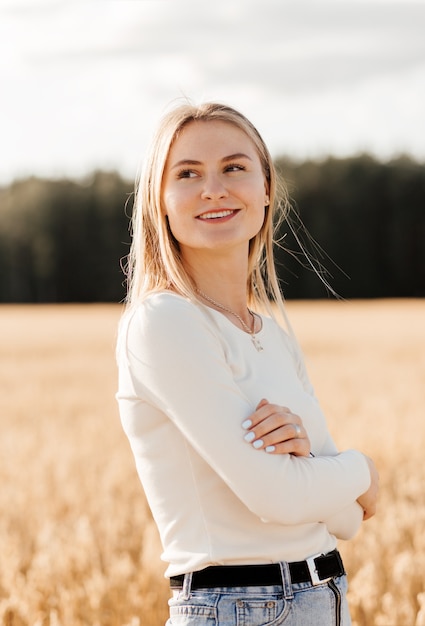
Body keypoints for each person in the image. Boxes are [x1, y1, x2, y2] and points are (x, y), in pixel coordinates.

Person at [116, 101, 379, 626]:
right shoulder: (164, 323)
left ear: (265, 189)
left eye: (234, 167)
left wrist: (311, 464)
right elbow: (280, 498)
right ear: (160, 201)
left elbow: (346, 520)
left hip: (325, 596)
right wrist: (364, 469)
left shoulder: (273, 335)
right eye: (187, 173)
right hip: (236, 608)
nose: (214, 188)